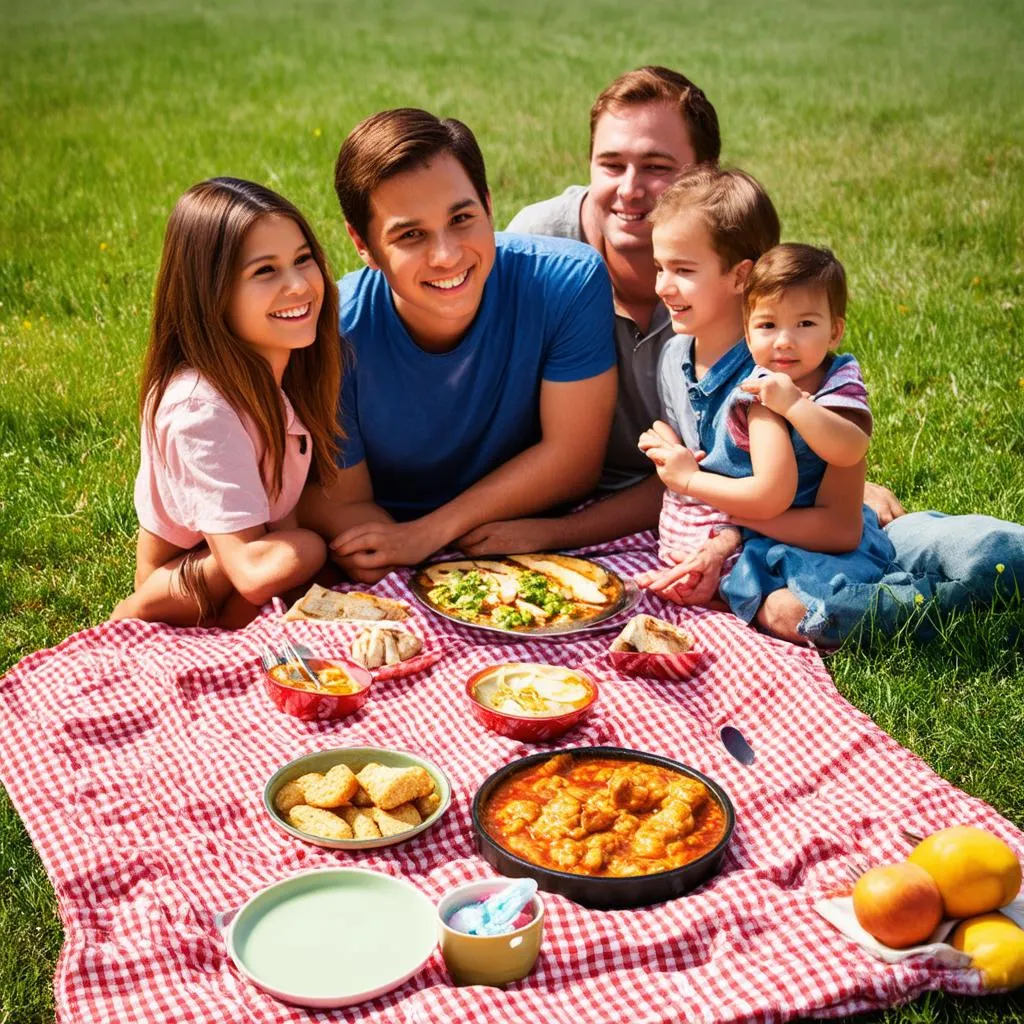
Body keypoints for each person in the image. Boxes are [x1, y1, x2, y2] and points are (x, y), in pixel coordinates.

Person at [299, 108, 618, 582]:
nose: (446, 255)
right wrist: (413, 552)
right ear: (361, 243)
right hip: (397, 540)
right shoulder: (333, 335)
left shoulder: (568, 283)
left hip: (514, 535)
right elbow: (348, 504)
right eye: (410, 235)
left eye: (462, 218)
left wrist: (432, 532)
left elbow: (575, 461)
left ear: (489, 205)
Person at [461, 66, 720, 555]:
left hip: (679, 499)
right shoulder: (539, 243)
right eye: (611, 164)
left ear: (707, 173)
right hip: (542, 489)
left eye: (657, 167)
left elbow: (719, 470)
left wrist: (558, 536)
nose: (629, 189)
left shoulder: (731, 270)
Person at [111, 178, 340, 627]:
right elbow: (251, 572)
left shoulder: (290, 366)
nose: (299, 285)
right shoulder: (200, 409)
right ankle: (130, 620)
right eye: (265, 271)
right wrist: (310, 545)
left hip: (250, 557)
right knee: (309, 550)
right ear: (211, 293)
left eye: (302, 259)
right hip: (187, 584)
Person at [641, 240, 896, 642]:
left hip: (830, 542)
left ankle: (916, 607)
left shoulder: (838, 382)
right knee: (769, 604)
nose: (784, 341)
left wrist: (794, 405)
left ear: (836, 331)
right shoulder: (754, 394)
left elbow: (849, 448)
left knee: (803, 605)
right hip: (768, 540)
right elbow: (760, 490)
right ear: (747, 331)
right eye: (767, 325)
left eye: (805, 324)